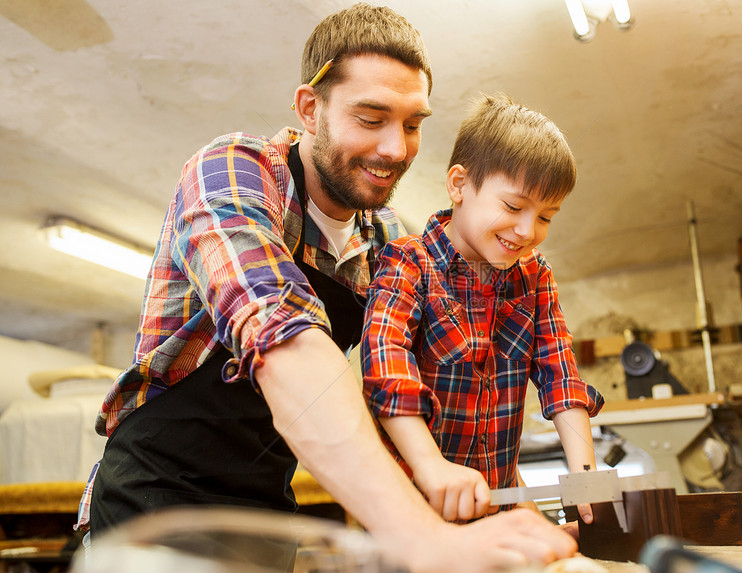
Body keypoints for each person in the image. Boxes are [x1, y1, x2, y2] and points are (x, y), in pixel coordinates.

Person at [76, 4, 578, 571]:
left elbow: (419, 386)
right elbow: (285, 342)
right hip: (156, 504)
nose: (396, 149)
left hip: (266, 504)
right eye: (371, 118)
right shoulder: (234, 172)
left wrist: (498, 494)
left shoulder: (388, 239)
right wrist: (420, 537)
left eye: (413, 124)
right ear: (310, 109)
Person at [361, 94, 605, 525]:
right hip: (412, 515)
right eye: (513, 207)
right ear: (459, 185)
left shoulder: (535, 277)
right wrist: (431, 468)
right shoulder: (408, 263)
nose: (528, 231)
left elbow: (560, 376)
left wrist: (585, 474)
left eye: (546, 216)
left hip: (499, 512)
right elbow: (387, 370)